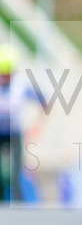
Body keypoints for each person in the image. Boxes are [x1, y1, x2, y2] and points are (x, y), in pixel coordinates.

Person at [0, 44, 46, 203]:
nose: (4, 77)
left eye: (7, 73)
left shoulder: (20, 85)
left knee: (16, 171)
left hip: (14, 133)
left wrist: (36, 125)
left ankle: (18, 203)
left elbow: (44, 103)